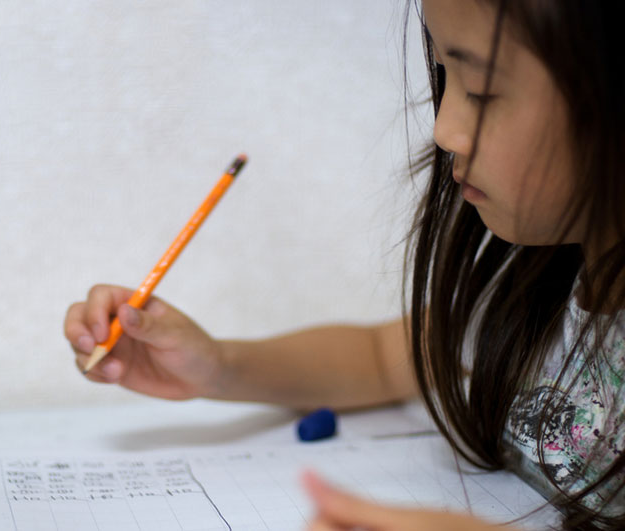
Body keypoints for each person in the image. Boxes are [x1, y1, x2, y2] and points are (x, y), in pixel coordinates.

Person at [65, 0, 625, 528]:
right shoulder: (537, 296)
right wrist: (217, 366)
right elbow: (385, 357)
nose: (444, 129)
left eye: (480, 90)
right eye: (443, 76)